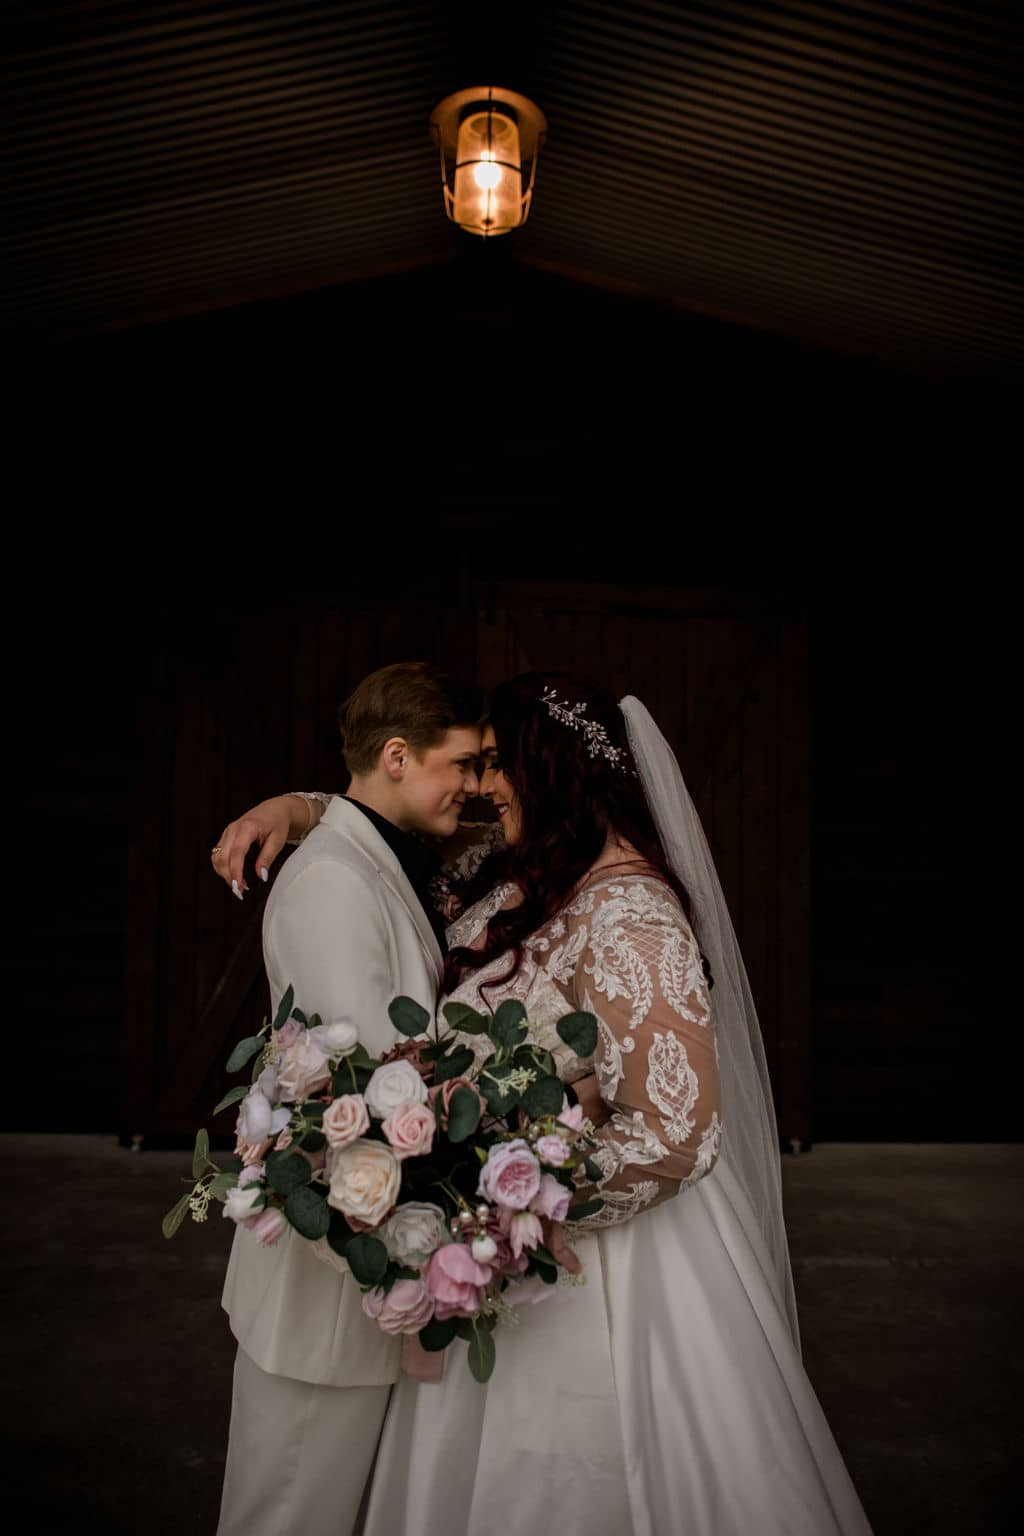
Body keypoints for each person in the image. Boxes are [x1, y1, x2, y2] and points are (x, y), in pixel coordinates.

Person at [214, 673, 874, 1535]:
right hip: (491, 1262)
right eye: (473, 764)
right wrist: (299, 807)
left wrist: (511, 1195)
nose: (484, 787)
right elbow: (372, 823)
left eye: (497, 763)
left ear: (552, 768)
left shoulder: (631, 912)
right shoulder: (519, 883)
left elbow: (678, 1133)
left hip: (591, 1263)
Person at [214, 661, 483, 1536]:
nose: (473, 787)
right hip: (326, 1297)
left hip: (361, 1292)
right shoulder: (333, 879)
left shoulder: (375, 847)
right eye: (462, 765)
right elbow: (363, 1092)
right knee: (286, 1515)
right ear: (397, 756)